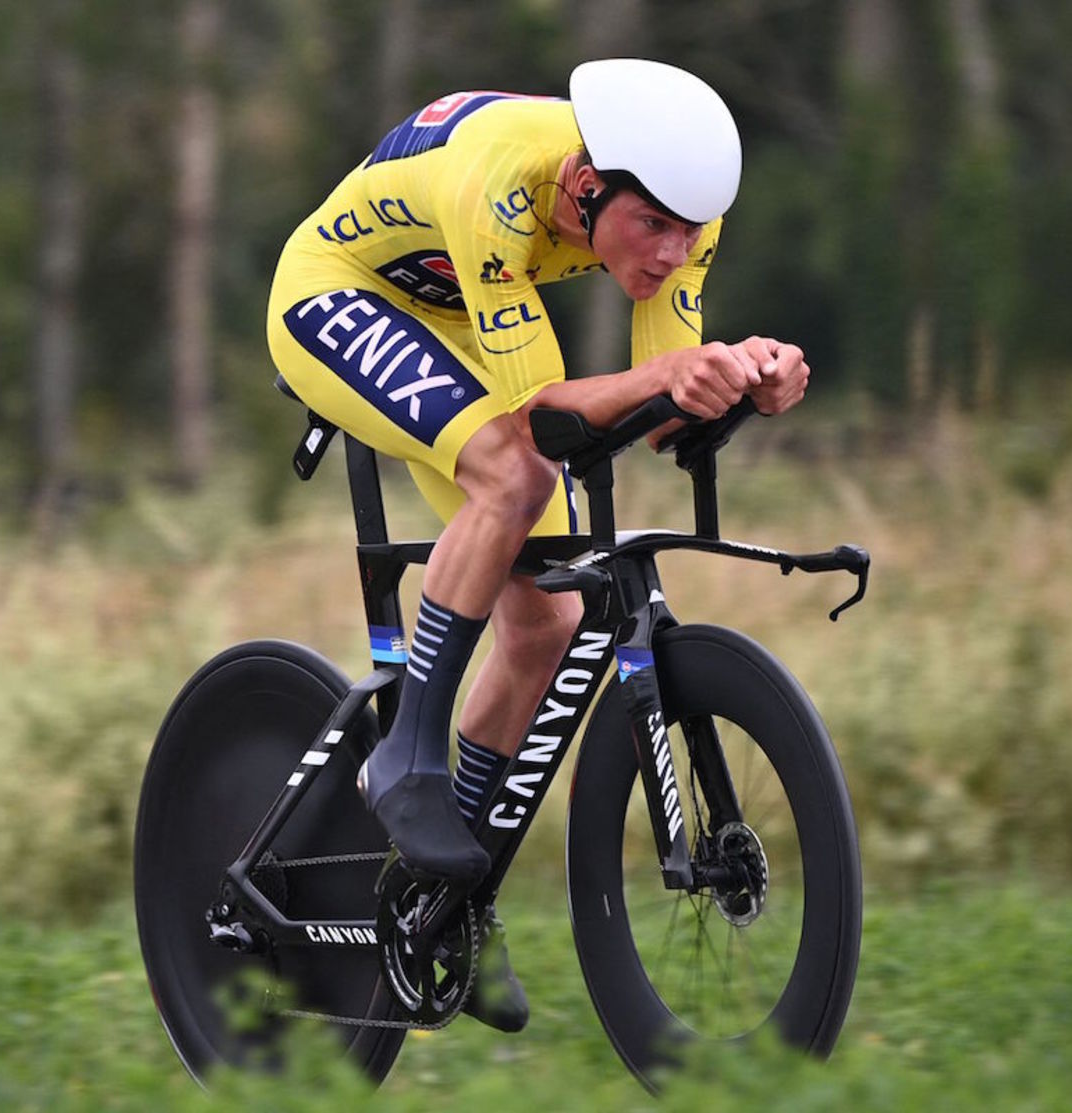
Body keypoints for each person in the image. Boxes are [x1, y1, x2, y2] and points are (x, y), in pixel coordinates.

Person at [265, 58, 810, 1031]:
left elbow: (654, 406)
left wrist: (743, 377)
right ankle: (407, 759)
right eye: (651, 227)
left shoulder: (683, 214)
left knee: (548, 620)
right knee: (513, 474)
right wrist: (688, 372)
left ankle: (450, 903)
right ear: (582, 186)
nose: (673, 253)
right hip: (334, 294)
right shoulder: (501, 180)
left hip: (451, 320)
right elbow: (531, 424)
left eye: (690, 232)